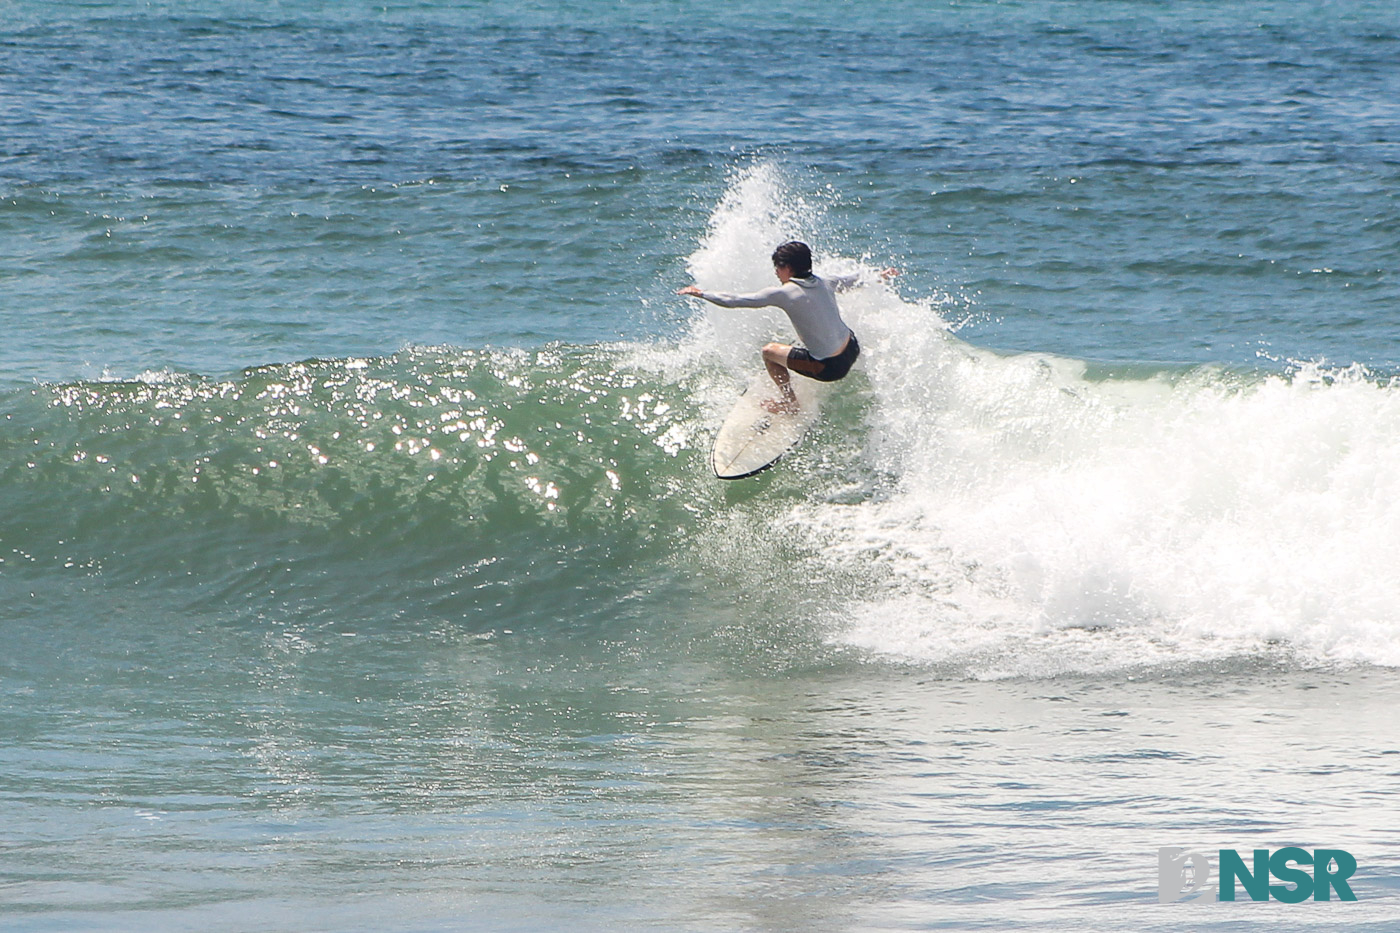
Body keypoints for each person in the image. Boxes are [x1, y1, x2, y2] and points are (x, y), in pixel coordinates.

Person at [677, 240, 897, 412]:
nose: (776, 272)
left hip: (830, 369)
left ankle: (789, 403)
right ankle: (811, 361)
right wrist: (882, 275)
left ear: (788, 268)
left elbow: (734, 300)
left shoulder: (783, 293)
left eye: (778, 267)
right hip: (852, 348)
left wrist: (702, 293)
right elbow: (859, 279)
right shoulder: (826, 281)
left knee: (769, 351)